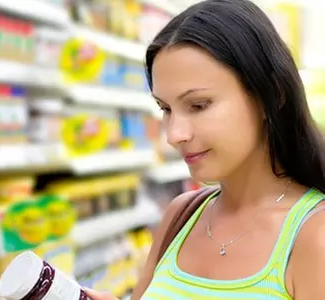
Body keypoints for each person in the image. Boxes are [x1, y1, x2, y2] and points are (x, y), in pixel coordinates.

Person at [85, 0, 325, 299]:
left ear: (270, 96)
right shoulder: (181, 216)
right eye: (165, 108)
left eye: (198, 105)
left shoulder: (314, 236)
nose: (174, 134)